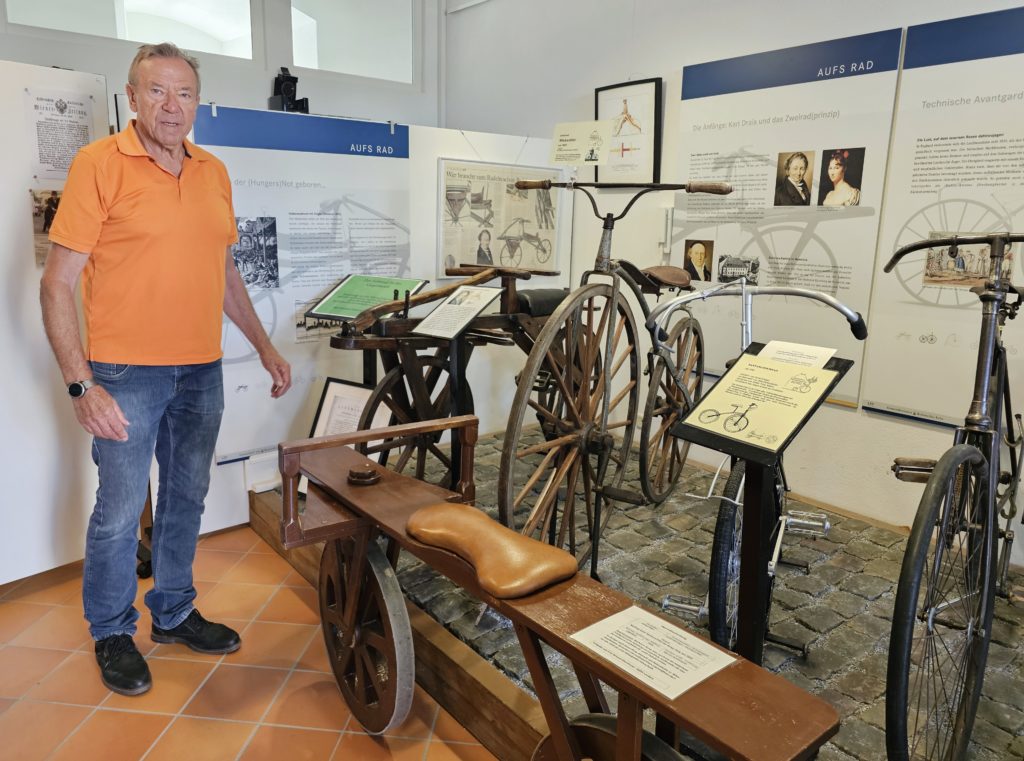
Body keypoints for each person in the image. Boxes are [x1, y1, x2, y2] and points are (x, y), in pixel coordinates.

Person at [39, 43, 292, 697]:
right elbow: (57, 282)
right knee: (121, 512)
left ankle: (174, 611)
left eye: (184, 93)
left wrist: (264, 347)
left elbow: (226, 273)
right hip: (125, 373)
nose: (172, 106)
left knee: (187, 498)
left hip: (200, 370)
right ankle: (113, 631)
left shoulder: (213, 170)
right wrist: (81, 383)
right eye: (157, 92)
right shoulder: (99, 165)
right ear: (132, 97)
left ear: (196, 102)